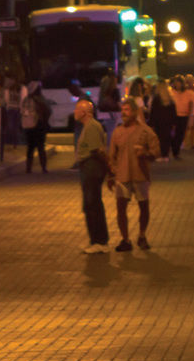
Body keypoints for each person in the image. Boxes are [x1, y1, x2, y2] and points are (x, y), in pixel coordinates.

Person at [109, 98, 161, 252]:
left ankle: (142, 236)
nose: (123, 113)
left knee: (143, 206)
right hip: (122, 176)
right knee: (120, 208)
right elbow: (112, 156)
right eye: (122, 110)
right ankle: (125, 240)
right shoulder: (117, 132)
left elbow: (156, 151)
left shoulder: (146, 131)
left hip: (140, 176)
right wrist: (111, 175)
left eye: (126, 110)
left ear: (135, 112)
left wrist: (146, 154)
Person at [73, 100, 112, 254]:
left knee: (93, 204)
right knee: (90, 205)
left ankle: (100, 241)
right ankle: (95, 240)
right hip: (88, 167)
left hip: (92, 168)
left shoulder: (91, 126)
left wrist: (109, 169)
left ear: (85, 112)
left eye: (77, 109)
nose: (75, 111)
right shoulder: (88, 127)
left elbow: (98, 150)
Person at [22, 82, 52, 173]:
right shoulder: (40, 100)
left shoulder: (26, 100)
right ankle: (43, 168)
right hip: (39, 125)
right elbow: (48, 111)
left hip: (29, 126)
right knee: (40, 148)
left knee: (30, 148)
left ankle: (28, 168)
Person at [149, 81, 179, 162]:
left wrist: (151, 123)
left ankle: (159, 155)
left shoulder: (156, 98)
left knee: (159, 139)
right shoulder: (170, 99)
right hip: (168, 123)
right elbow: (174, 112)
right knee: (166, 139)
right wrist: (174, 123)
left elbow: (153, 112)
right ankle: (165, 155)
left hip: (159, 123)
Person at [179, 76, 194, 151]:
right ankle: (181, 142)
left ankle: (192, 144)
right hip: (191, 112)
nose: (192, 81)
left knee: (193, 128)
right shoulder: (187, 90)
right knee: (187, 128)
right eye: (190, 80)